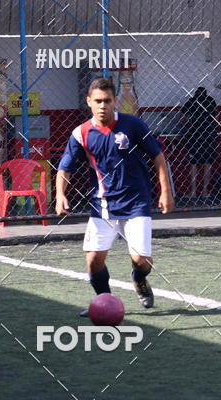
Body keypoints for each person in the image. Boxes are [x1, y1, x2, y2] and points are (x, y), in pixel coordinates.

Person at [56, 78, 174, 315]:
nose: (103, 106)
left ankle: (139, 279)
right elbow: (64, 168)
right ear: (89, 102)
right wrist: (60, 194)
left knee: (142, 261)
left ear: (115, 101)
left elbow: (158, 157)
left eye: (107, 101)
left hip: (136, 202)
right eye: (98, 101)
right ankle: (104, 301)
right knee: (93, 260)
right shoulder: (81, 133)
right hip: (103, 206)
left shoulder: (133, 125)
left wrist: (166, 191)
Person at [182, 87, 217, 199]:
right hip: (210, 133)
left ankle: (193, 191)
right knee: (208, 162)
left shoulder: (192, 101)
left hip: (196, 133)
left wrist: (188, 123)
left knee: (193, 162)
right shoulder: (211, 100)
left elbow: (182, 118)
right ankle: (205, 191)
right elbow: (216, 116)